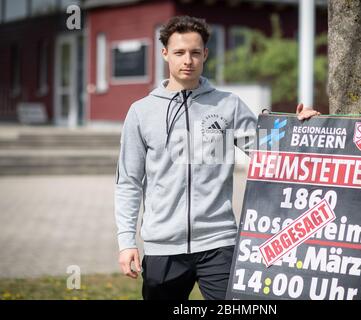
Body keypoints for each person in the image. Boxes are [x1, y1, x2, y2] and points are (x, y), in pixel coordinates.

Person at [114, 15, 320, 300]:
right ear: (165, 54)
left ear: (205, 54)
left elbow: (270, 152)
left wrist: (303, 129)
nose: (188, 60)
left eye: (195, 53)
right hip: (163, 248)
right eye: (179, 53)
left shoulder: (228, 105)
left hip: (219, 244)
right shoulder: (141, 111)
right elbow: (129, 182)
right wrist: (126, 242)